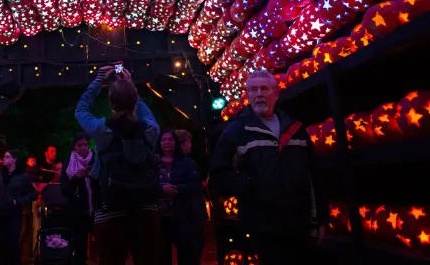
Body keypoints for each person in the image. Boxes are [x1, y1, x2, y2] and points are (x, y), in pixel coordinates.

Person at [209, 70, 329, 265]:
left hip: (299, 222)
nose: (259, 94)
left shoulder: (296, 129)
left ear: (276, 93)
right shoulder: (237, 131)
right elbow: (219, 173)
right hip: (263, 225)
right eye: (253, 90)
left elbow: (313, 176)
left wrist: (320, 218)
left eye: (264, 89)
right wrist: (249, 185)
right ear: (248, 96)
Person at [75, 65, 161, 265]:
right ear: (134, 100)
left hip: (110, 208)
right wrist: (132, 88)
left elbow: (81, 110)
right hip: (146, 207)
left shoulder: (102, 129)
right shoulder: (149, 129)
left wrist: (98, 81)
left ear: (111, 102)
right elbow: (145, 113)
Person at [156, 130, 206, 265]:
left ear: (176, 143)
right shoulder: (153, 162)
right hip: (160, 216)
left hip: (183, 215)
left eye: (170, 140)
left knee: (186, 254)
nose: (166, 142)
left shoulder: (186, 162)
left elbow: (195, 185)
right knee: (162, 255)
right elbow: (146, 184)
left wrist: (177, 189)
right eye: (163, 140)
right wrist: (161, 188)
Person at [60, 133, 99, 265]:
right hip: (77, 211)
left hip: (97, 209)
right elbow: (65, 190)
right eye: (79, 145)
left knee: (102, 244)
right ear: (74, 147)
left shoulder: (96, 160)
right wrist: (76, 178)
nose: (83, 148)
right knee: (79, 246)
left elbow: (103, 183)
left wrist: (91, 174)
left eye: (85, 145)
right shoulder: (68, 164)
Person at [0, 150, 38, 265]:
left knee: (13, 245)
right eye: (4, 156)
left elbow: (33, 194)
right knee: (0, 247)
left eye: (7, 157)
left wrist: (18, 202)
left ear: (15, 159)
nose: (4, 159)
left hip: (14, 215)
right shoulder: (0, 175)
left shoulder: (22, 177)